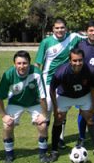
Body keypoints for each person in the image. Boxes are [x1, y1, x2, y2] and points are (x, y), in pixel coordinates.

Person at [35, 17, 83, 149]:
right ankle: (44, 138)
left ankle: (60, 138)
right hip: (48, 80)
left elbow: (90, 39)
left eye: (62, 28)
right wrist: (35, 80)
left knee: (62, 110)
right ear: (53, 29)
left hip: (65, 81)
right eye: (57, 28)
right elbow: (38, 63)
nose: (60, 30)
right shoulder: (46, 42)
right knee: (48, 110)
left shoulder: (73, 37)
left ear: (66, 28)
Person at [0, 51, 51, 163]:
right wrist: (4, 115)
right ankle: (9, 155)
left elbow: (42, 98)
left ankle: (42, 154)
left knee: (43, 125)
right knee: (7, 126)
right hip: (16, 102)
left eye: (25, 63)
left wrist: (44, 115)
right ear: (14, 64)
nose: (22, 66)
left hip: (34, 102)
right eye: (19, 63)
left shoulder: (36, 73)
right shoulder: (9, 74)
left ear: (29, 63)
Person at [48, 48, 94, 162]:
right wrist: (55, 107)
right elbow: (51, 89)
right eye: (75, 60)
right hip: (65, 96)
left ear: (83, 60)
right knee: (58, 119)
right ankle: (54, 151)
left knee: (90, 119)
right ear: (70, 61)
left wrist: (92, 104)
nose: (78, 63)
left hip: (83, 96)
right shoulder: (61, 72)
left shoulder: (91, 71)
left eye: (80, 60)